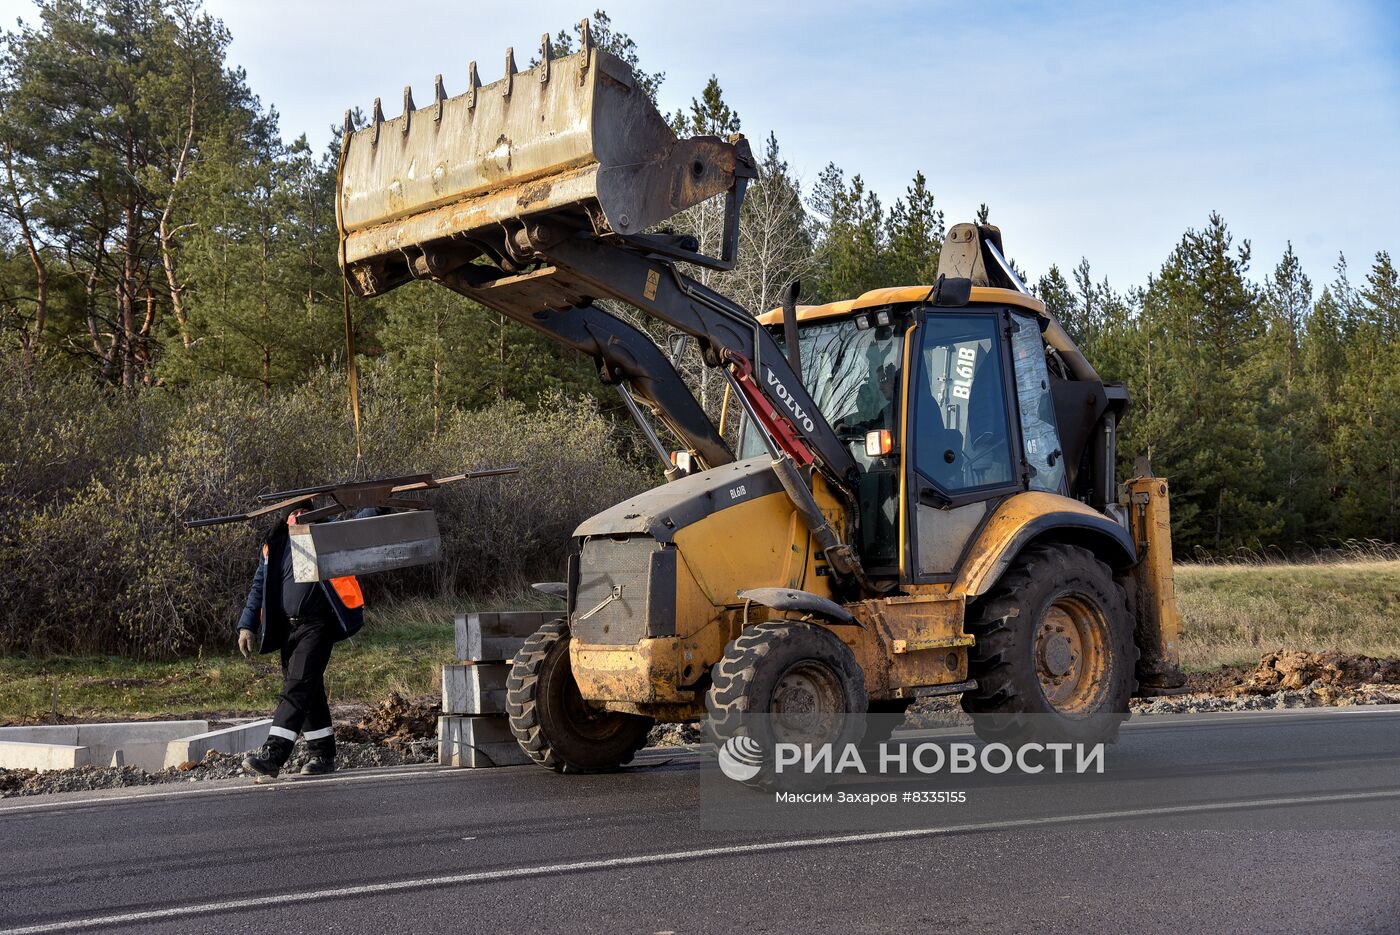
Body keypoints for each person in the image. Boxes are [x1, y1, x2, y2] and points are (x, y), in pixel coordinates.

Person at [237, 508, 372, 778]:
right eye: (293, 511)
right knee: (309, 690)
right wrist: (247, 625)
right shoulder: (276, 541)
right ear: (286, 516)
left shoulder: (326, 530)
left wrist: (375, 506)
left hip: (318, 624)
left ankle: (274, 754)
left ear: (313, 512)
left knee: (297, 686)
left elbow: (356, 528)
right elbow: (259, 585)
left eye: (303, 510)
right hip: (289, 628)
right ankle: (323, 755)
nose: (297, 515)